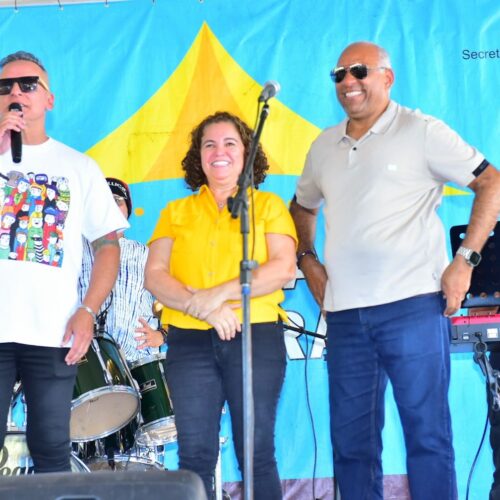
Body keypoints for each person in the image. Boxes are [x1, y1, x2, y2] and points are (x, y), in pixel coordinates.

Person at [290, 41, 500, 500]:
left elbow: (491, 182)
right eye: (339, 74)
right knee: (351, 448)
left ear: (387, 77)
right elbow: (302, 206)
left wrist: (465, 260)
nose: (348, 81)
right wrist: (308, 259)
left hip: (413, 308)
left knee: (427, 438)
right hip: (345, 316)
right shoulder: (324, 145)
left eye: (359, 71)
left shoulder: (421, 130)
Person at [145, 111, 297, 499]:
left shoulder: (269, 206)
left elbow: (283, 268)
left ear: (247, 153)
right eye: (209, 144)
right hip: (189, 342)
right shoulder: (175, 212)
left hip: (254, 337)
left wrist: (219, 293)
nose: (219, 152)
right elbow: (155, 275)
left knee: (256, 454)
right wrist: (206, 308)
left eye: (230, 143)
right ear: (198, 156)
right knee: (194, 456)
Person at [0, 51, 127, 472]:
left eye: (28, 84)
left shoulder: (78, 166)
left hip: (52, 330)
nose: (16, 93)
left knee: (52, 446)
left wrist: (88, 311)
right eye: (5, 86)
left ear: (49, 99)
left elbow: (107, 246)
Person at [79, 177, 165, 364]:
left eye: (117, 201)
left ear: (127, 211)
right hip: (86, 360)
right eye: (104, 201)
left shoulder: (145, 254)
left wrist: (162, 334)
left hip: (138, 361)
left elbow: (177, 302)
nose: (110, 206)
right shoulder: (76, 249)